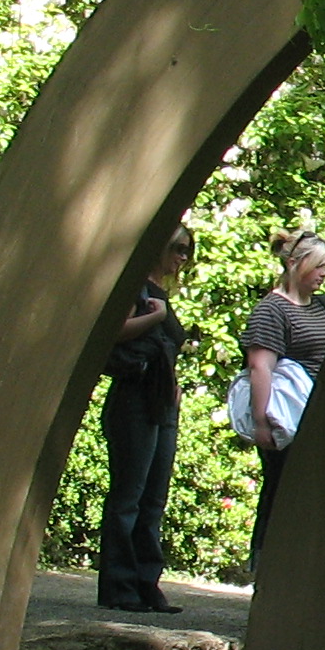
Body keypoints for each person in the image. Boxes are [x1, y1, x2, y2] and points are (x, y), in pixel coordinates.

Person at [96, 225, 193, 613]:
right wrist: (156, 318)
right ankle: (120, 588)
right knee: (129, 497)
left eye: (187, 251)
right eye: (178, 248)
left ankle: (146, 583)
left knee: (153, 499)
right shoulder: (136, 287)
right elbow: (114, 331)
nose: (182, 257)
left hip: (161, 403)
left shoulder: (159, 294)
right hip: (134, 399)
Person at [242, 227, 325, 569]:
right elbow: (260, 367)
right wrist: (261, 422)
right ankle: (267, 567)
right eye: (319, 266)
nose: (324, 273)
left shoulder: (324, 305)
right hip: (287, 420)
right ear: (296, 264)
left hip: (321, 418)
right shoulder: (271, 310)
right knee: (280, 493)